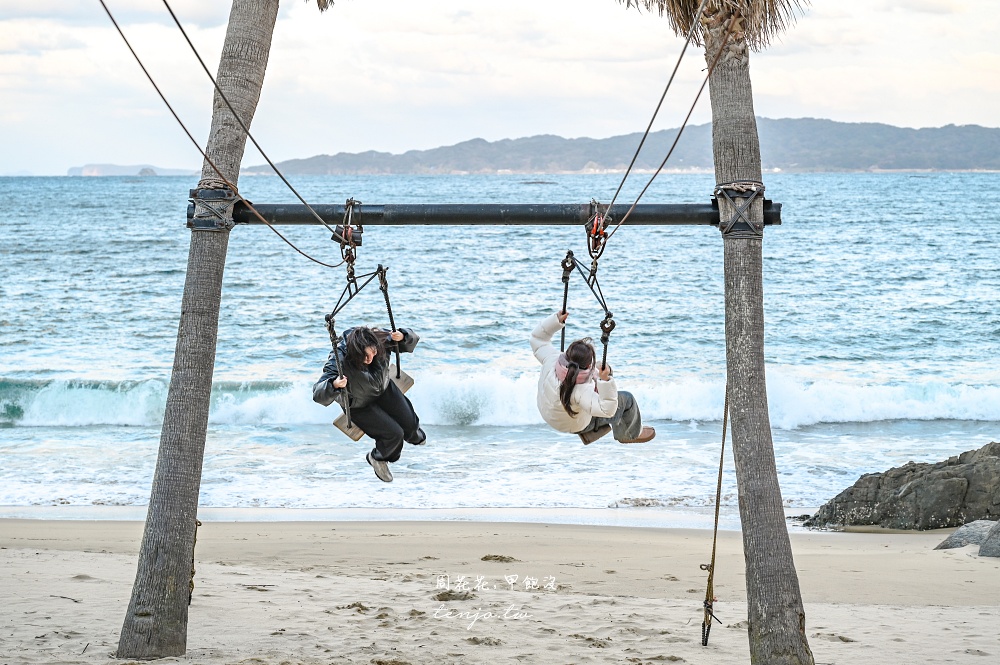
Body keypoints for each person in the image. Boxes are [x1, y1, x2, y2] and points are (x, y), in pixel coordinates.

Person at [313, 326, 425, 482]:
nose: (369, 359)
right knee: (394, 435)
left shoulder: (380, 337)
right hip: (359, 404)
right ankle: (378, 458)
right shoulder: (339, 360)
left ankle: (414, 436)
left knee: (411, 425)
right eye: (365, 356)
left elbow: (411, 341)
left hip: (384, 388)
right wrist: (334, 385)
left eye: (373, 353)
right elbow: (317, 394)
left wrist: (404, 336)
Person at [531, 310, 655, 444]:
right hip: (574, 425)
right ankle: (629, 434)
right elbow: (607, 409)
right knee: (627, 399)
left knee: (601, 367)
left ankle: (591, 428)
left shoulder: (551, 359)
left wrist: (555, 321)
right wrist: (605, 381)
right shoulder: (581, 391)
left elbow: (537, 339)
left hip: (548, 414)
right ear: (586, 366)